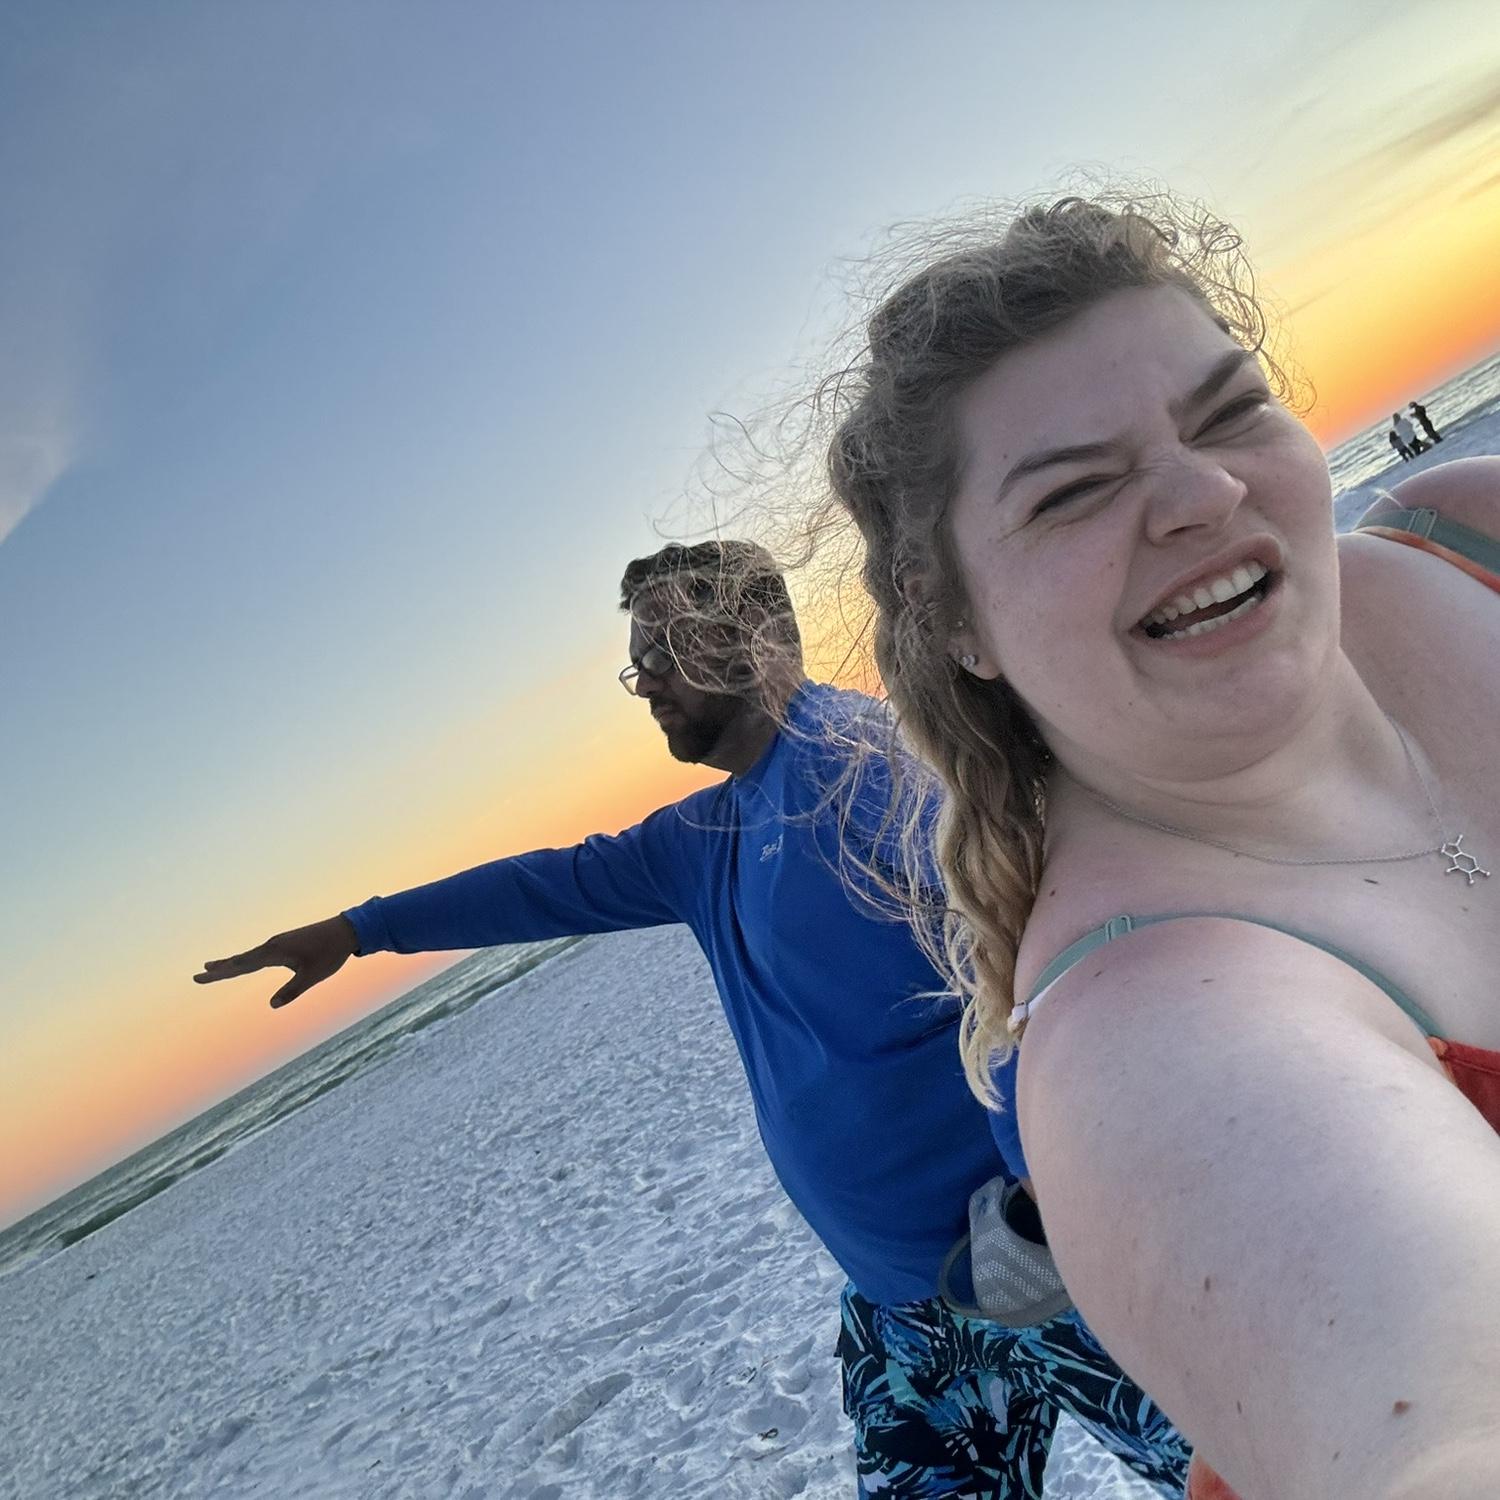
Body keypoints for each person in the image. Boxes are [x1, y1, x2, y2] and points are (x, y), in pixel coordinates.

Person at [195, 540, 1190, 1498]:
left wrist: (1039, 1206)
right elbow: (544, 885)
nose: (649, 685)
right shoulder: (706, 833)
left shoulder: (860, 766)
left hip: (1039, 1279)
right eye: (637, 666)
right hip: (906, 1317)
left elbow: (1019, 950)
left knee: (1245, 1465)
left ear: (760, 632)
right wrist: (360, 930)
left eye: (664, 651)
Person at [813, 192, 1500, 1499]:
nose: (1203, 492)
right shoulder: (1151, 1043)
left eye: (1230, 412)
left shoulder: (1471, 531)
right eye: (1074, 492)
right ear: (955, 623)